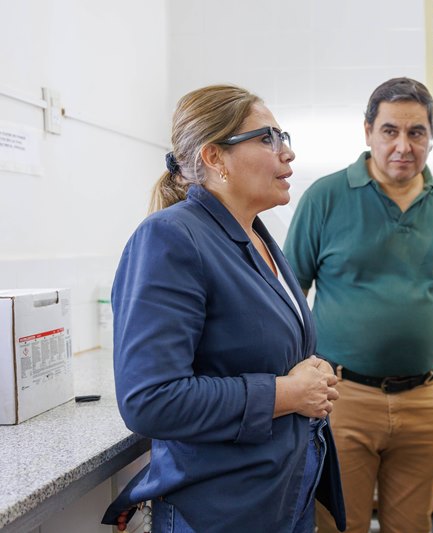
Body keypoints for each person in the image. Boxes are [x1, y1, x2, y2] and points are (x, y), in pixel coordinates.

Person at [100, 85, 346, 533]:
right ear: (215, 158)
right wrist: (288, 394)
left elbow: (255, 348)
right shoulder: (170, 237)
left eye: (283, 136)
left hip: (280, 496)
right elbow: (150, 401)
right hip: (220, 510)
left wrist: (312, 370)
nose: (287, 152)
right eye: (268, 138)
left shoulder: (256, 236)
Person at [284, 77, 433, 533]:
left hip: (427, 400)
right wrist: (298, 380)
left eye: (416, 132)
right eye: (390, 131)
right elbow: (287, 299)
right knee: (339, 525)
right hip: (342, 398)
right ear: (368, 132)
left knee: (412, 527)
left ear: (431, 136)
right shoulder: (325, 198)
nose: (403, 145)